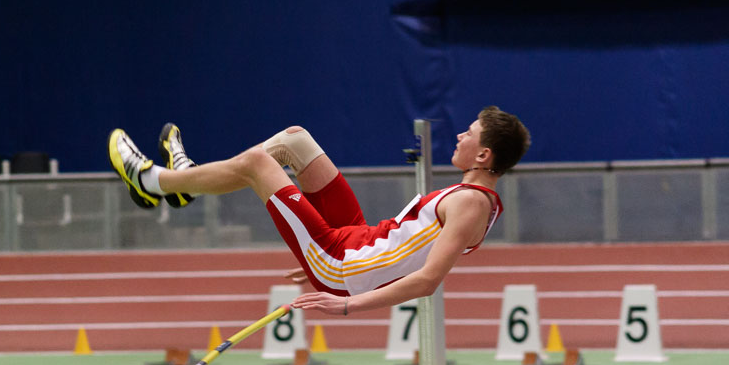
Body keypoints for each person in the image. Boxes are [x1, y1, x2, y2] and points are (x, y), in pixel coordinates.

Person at [108, 106, 530, 315]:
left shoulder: (472, 204)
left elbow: (426, 281)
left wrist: (344, 302)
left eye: (470, 133)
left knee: (258, 164)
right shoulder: (470, 196)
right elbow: (405, 249)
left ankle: (155, 181)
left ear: (484, 154)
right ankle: (187, 182)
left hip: (343, 265)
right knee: (295, 140)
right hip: (357, 240)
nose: (460, 134)